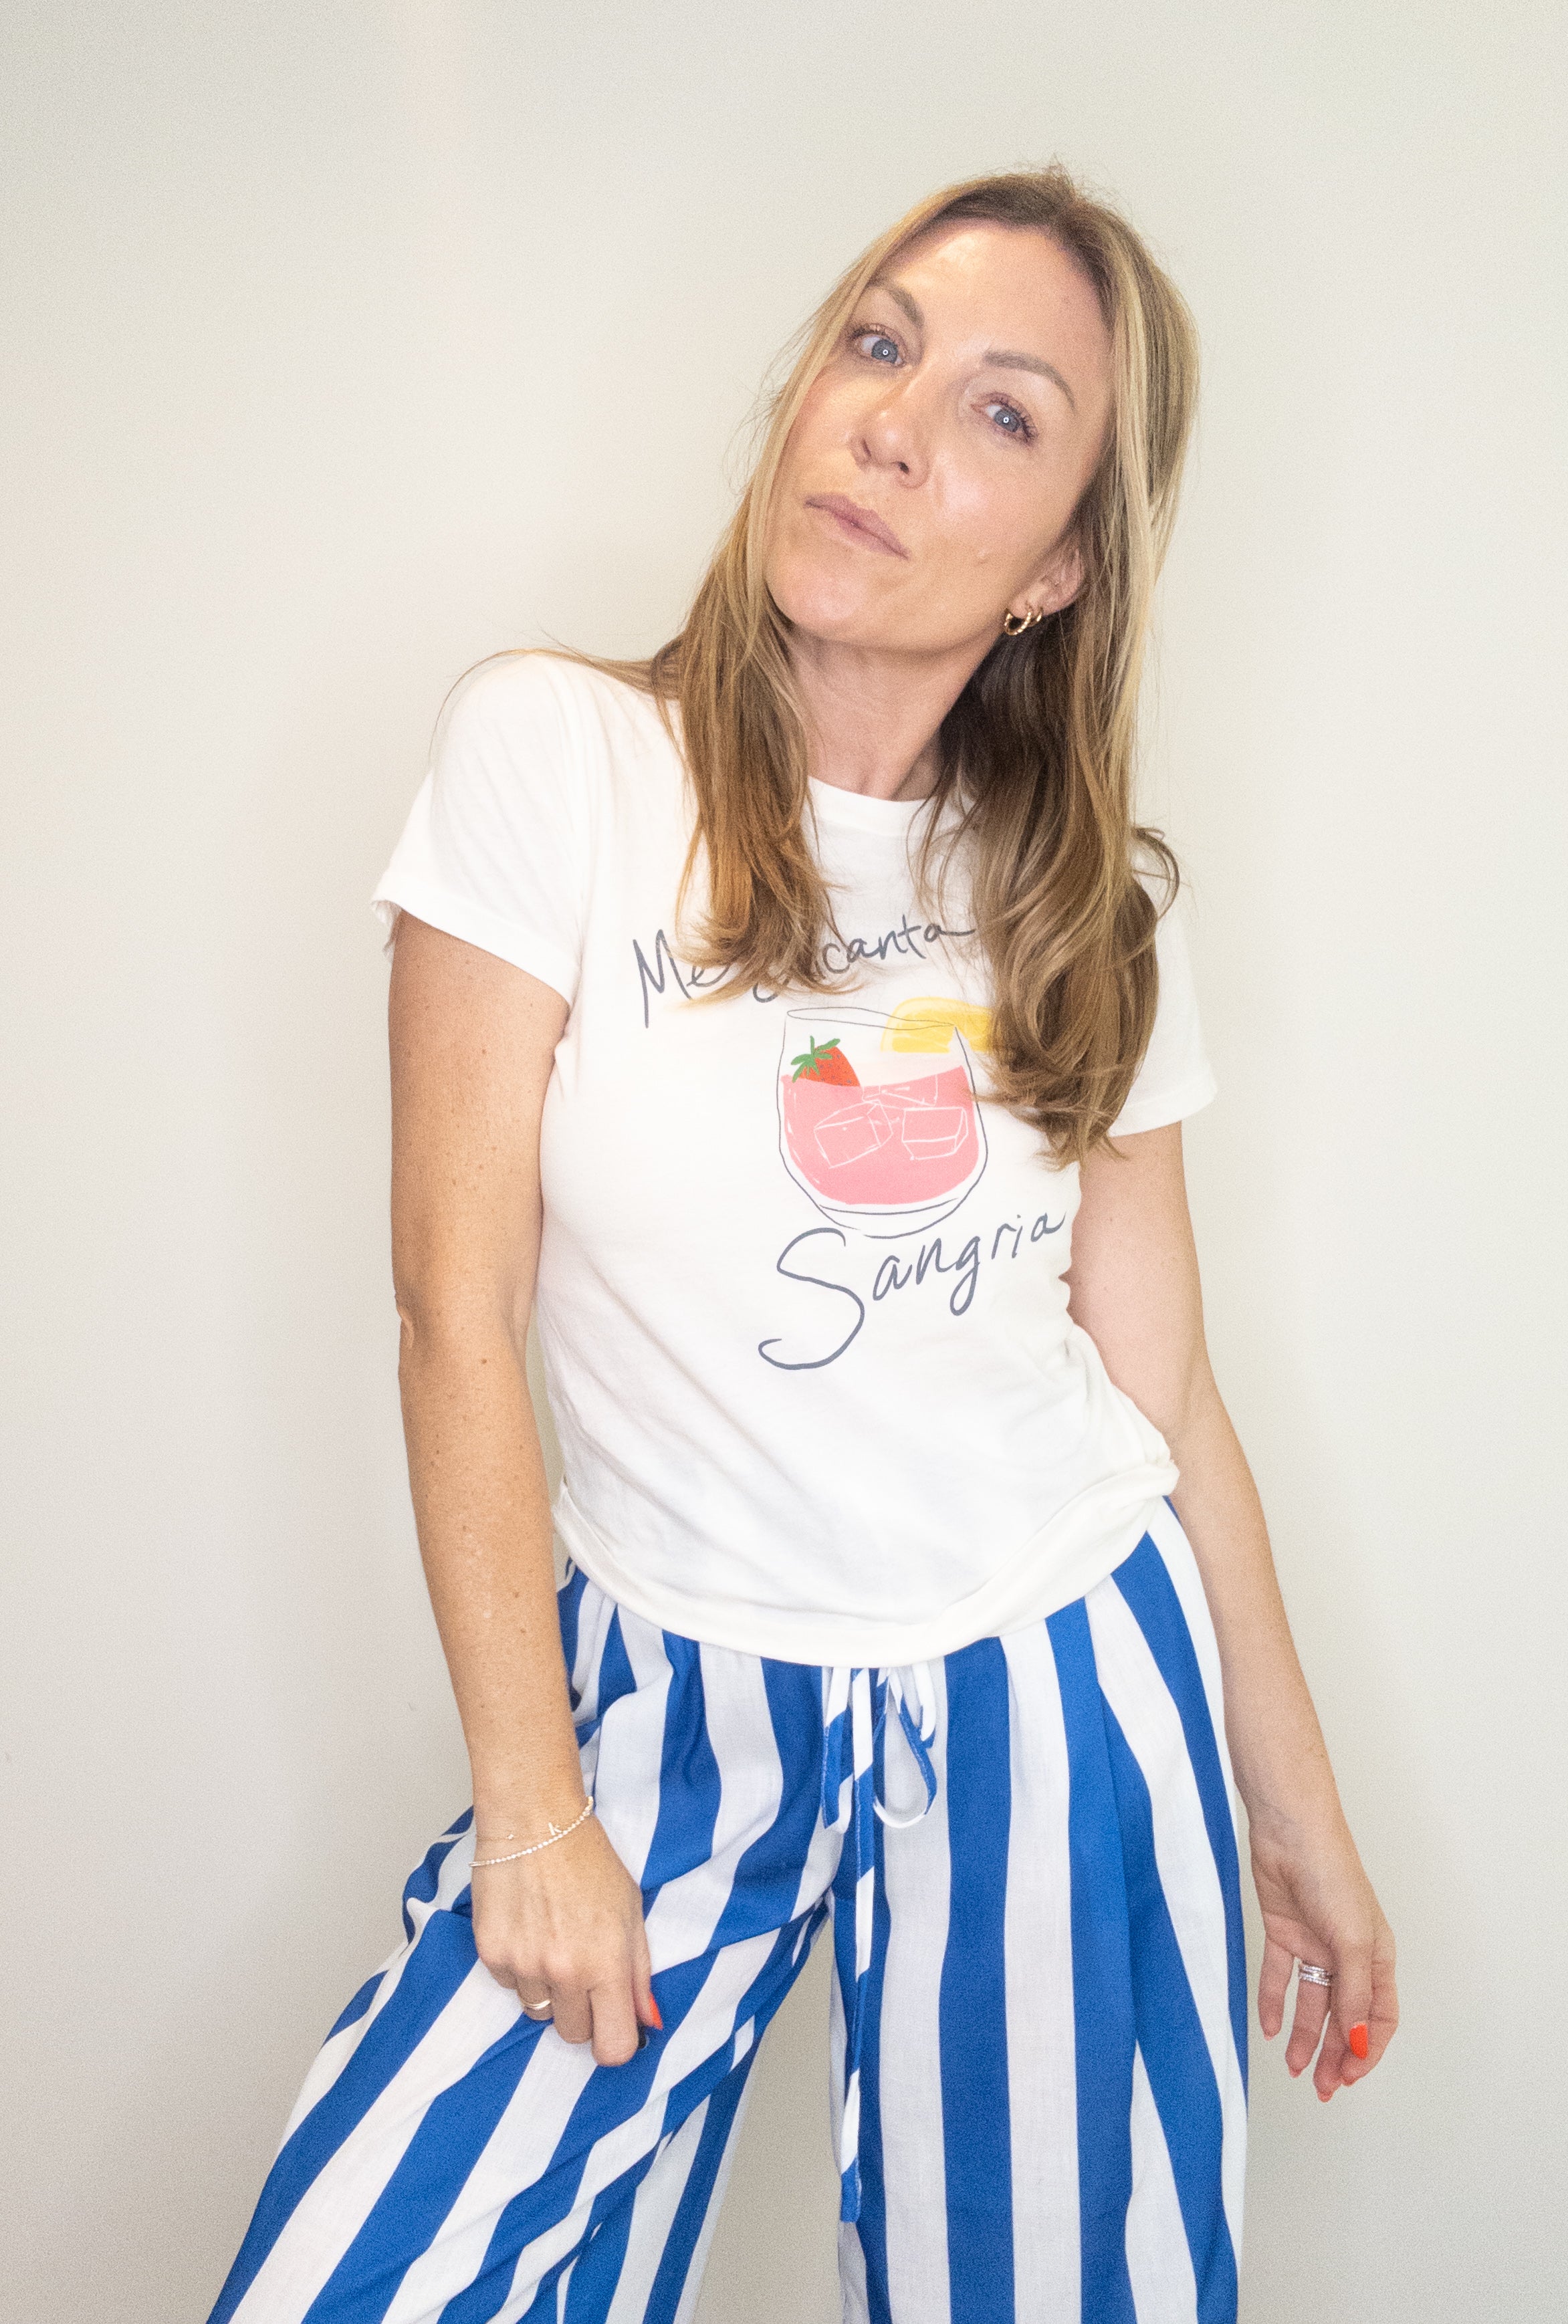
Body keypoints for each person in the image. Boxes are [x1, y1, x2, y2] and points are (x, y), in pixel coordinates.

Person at [207, 165, 1397, 2324]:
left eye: (1005, 412)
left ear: (1059, 570)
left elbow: (1163, 1389)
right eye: (878, 342)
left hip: (1058, 1674)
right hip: (669, 1685)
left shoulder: (1088, 909)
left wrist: (1294, 1803)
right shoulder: (558, 756)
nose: (894, 423)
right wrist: (530, 1802)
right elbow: (454, 1306)